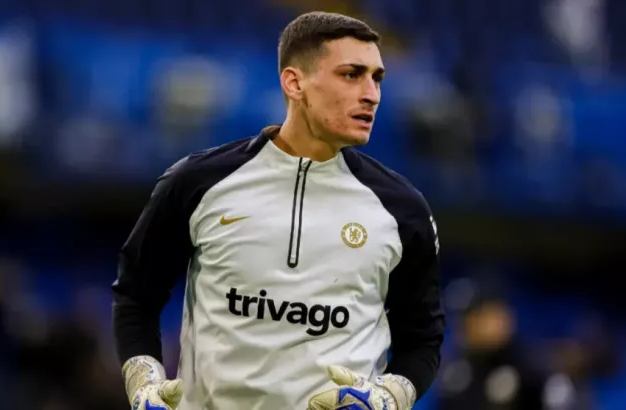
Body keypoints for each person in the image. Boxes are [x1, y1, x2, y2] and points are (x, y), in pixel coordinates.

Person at [112, 11, 445, 410]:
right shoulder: (197, 182)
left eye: (377, 78)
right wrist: (143, 380)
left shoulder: (401, 208)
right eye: (352, 74)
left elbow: (423, 338)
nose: (371, 94)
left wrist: (390, 396)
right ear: (294, 83)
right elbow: (136, 296)